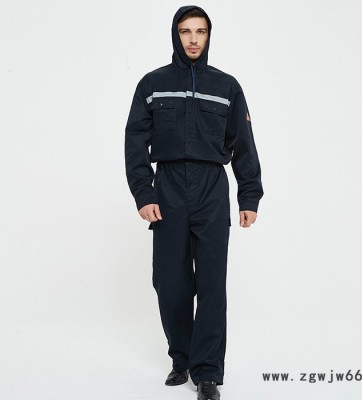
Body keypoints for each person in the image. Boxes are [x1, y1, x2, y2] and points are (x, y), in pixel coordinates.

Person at [124, 5, 263, 400]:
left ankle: (207, 374)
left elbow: (243, 144)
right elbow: (134, 141)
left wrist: (249, 195)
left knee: (212, 283)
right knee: (170, 282)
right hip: (168, 185)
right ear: (176, 34)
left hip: (211, 188)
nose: (193, 39)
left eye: (200, 31)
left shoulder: (227, 86)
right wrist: (145, 193)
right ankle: (181, 357)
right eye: (186, 31)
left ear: (208, 36)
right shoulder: (152, 83)